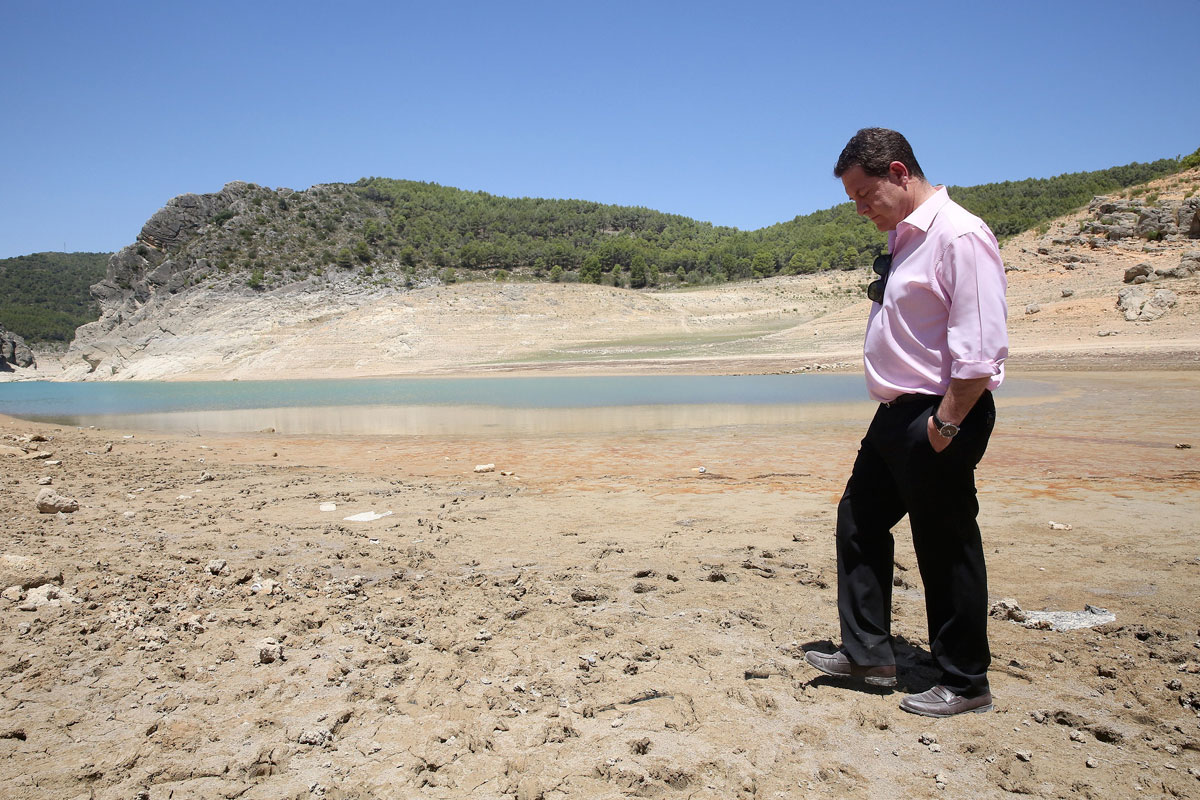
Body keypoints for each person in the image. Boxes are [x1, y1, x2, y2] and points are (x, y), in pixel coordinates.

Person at [803, 128, 1008, 717]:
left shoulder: (960, 235)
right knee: (859, 520)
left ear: (899, 172)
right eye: (853, 200)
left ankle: (966, 681)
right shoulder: (901, 237)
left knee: (944, 543)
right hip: (896, 412)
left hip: (942, 411)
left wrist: (945, 426)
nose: (861, 208)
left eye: (866, 194)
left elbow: (980, 347)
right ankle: (869, 652)